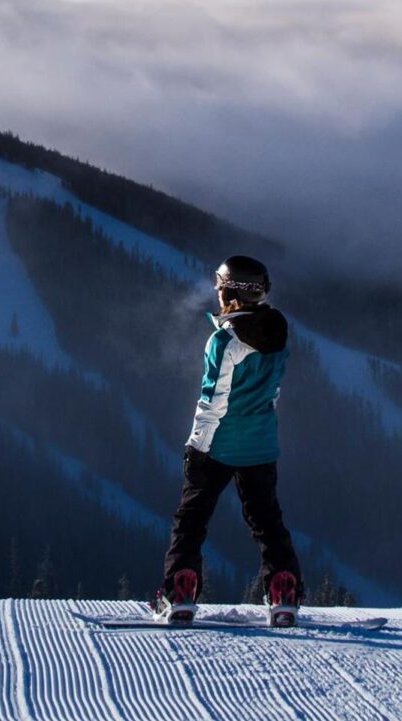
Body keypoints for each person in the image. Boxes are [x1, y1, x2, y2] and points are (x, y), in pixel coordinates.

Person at [152, 255, 304, 626]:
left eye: (220, 286)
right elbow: (271, 392)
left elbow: (213, 399)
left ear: (230, 290)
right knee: (267, 521)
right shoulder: (277, 335)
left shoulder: (224, 340)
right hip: (261, 445)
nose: (217, 292)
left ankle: (180, 593)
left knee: (191, 519)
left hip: (218, 445)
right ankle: (283, 592)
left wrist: (197, 447)